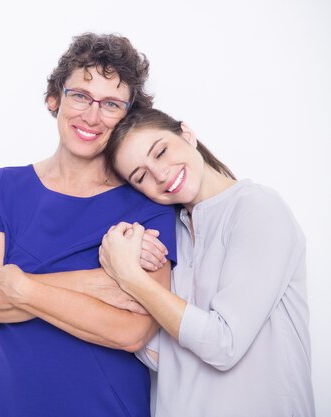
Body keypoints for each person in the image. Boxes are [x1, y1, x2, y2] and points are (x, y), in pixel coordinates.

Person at [0, 33, 177, 417]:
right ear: (54, 98)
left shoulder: (148, 204)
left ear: (127, 117)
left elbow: (131, 332)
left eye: (111, 104)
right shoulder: (1, 189)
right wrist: (98, 282)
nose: (92, 116)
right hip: (2, 404)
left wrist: (18, 285)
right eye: (80, 96)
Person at [99, 108, 315, 417]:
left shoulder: (258, 208)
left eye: (160, 151)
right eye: (141, 176)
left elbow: (223, 344)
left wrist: (130, 276)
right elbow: (165, 356)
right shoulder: (171, 236)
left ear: (186, 133)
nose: (160, 175)